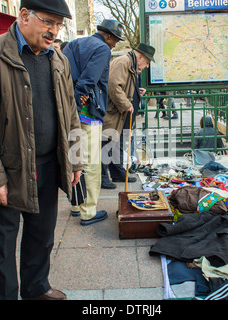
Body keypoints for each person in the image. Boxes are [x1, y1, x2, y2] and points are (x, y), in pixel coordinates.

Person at [0, 0, 83, 300]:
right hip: (7, 170)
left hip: (48, 165)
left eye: (58, 25)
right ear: (24, 15)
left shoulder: (58, 59)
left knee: (41, 237)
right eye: (48, 22)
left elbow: (70, 114)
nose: (54, 31)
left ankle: (37, 288)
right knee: (1, 247)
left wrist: (77, 160)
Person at [63, 19, 123, 224]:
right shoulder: (102, 49)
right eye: (115, 39)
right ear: (108, 36)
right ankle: (88, 211)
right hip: (88, 111)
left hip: (71, 111)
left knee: (75, 158)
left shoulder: (74, 44)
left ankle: (75, 205)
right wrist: (79, 101)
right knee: (91, 162)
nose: (115, 44)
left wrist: (70, 106)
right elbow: (89, 79)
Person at [101, 43, 155, 188]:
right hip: (114, 112)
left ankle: (117, 172)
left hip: (121, 114)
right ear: (140, 56)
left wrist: (136, 91)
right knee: (107, 143)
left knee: (117, 143)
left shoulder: (130, 63)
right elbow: (113, 86)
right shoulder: (123, 62)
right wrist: (126, 104)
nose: (147, 66)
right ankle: (102, 176)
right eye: (147, 62)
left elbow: (123, 85)